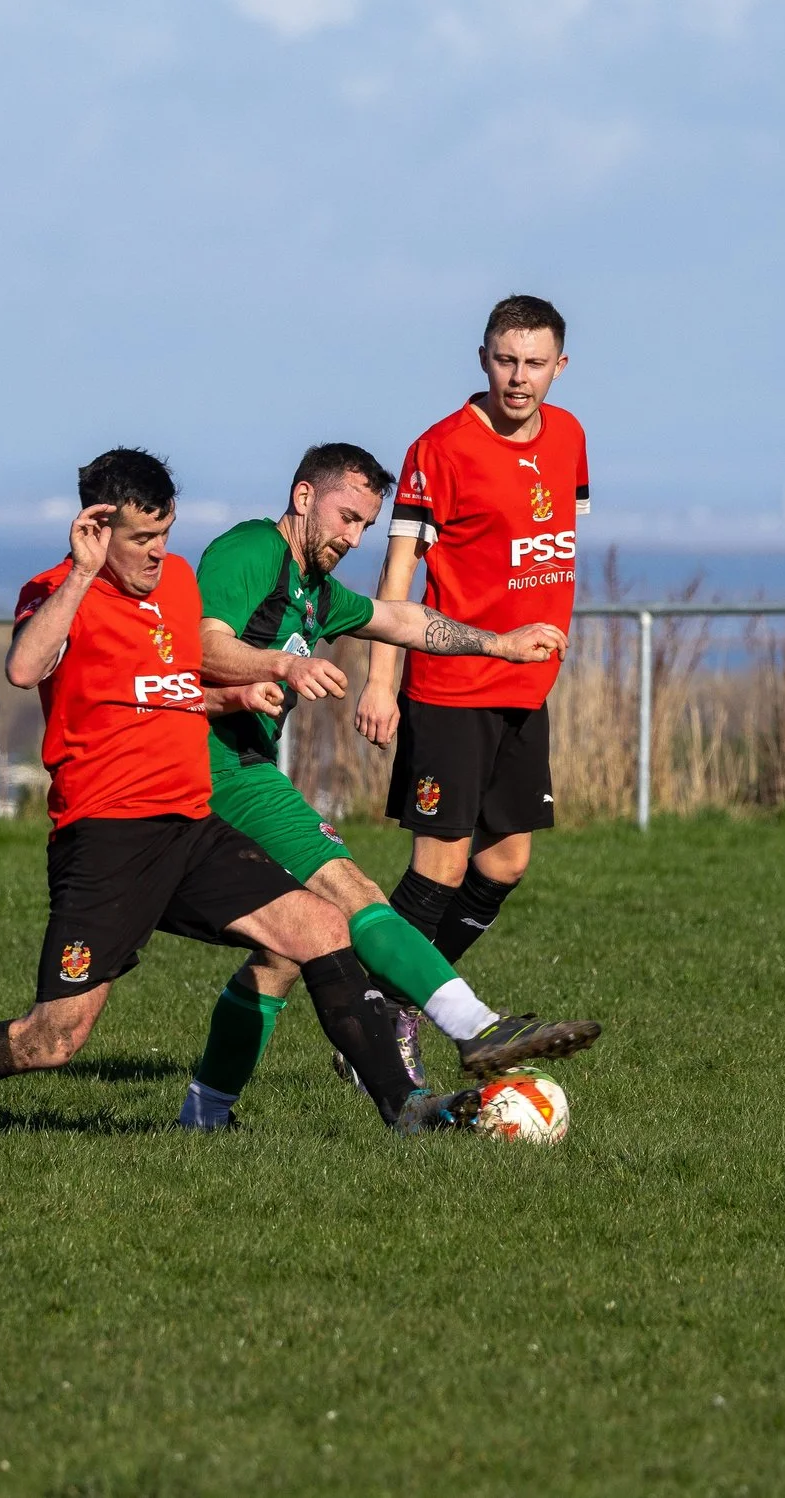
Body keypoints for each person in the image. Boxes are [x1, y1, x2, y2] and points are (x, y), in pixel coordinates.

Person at [0, 448, 458, 1151]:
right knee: (50, 1038)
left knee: (321, 928)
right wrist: (81, 576)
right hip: (106, 841)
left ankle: (405, 1108)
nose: (158, 553)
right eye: (140, 539)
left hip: (190, 825)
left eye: (165, 534)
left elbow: (165, 688)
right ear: (95, 529)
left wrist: (229, 694)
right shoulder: (55, 589)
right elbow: (23, 667)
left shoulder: (174, 583)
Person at [181, 441, 603, 1131]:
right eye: (345, 518)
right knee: (353, 890)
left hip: (226, 767)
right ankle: (477, 1028)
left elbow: (400, 619)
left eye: (364, 527)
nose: (352, 538)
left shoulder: (315, 590)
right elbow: (200, 643)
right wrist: (281, 669)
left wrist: (495, 643)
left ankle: (203, 1117)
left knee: (285, 947)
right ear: (304, 498)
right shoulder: (250, 550)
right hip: (215, 764)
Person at [356, 295, 587, 976]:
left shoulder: (570, 438)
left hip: (522, 689)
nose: (519, 376)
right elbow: (396, 577)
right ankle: (372, 1013)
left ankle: (404, 994)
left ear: (560, 366)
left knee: (506, 862)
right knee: (441, 869)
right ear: (484, 359)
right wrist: (379, 684)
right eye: (506, 360)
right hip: (450, 688)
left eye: (535, 363)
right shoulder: (440, 448)